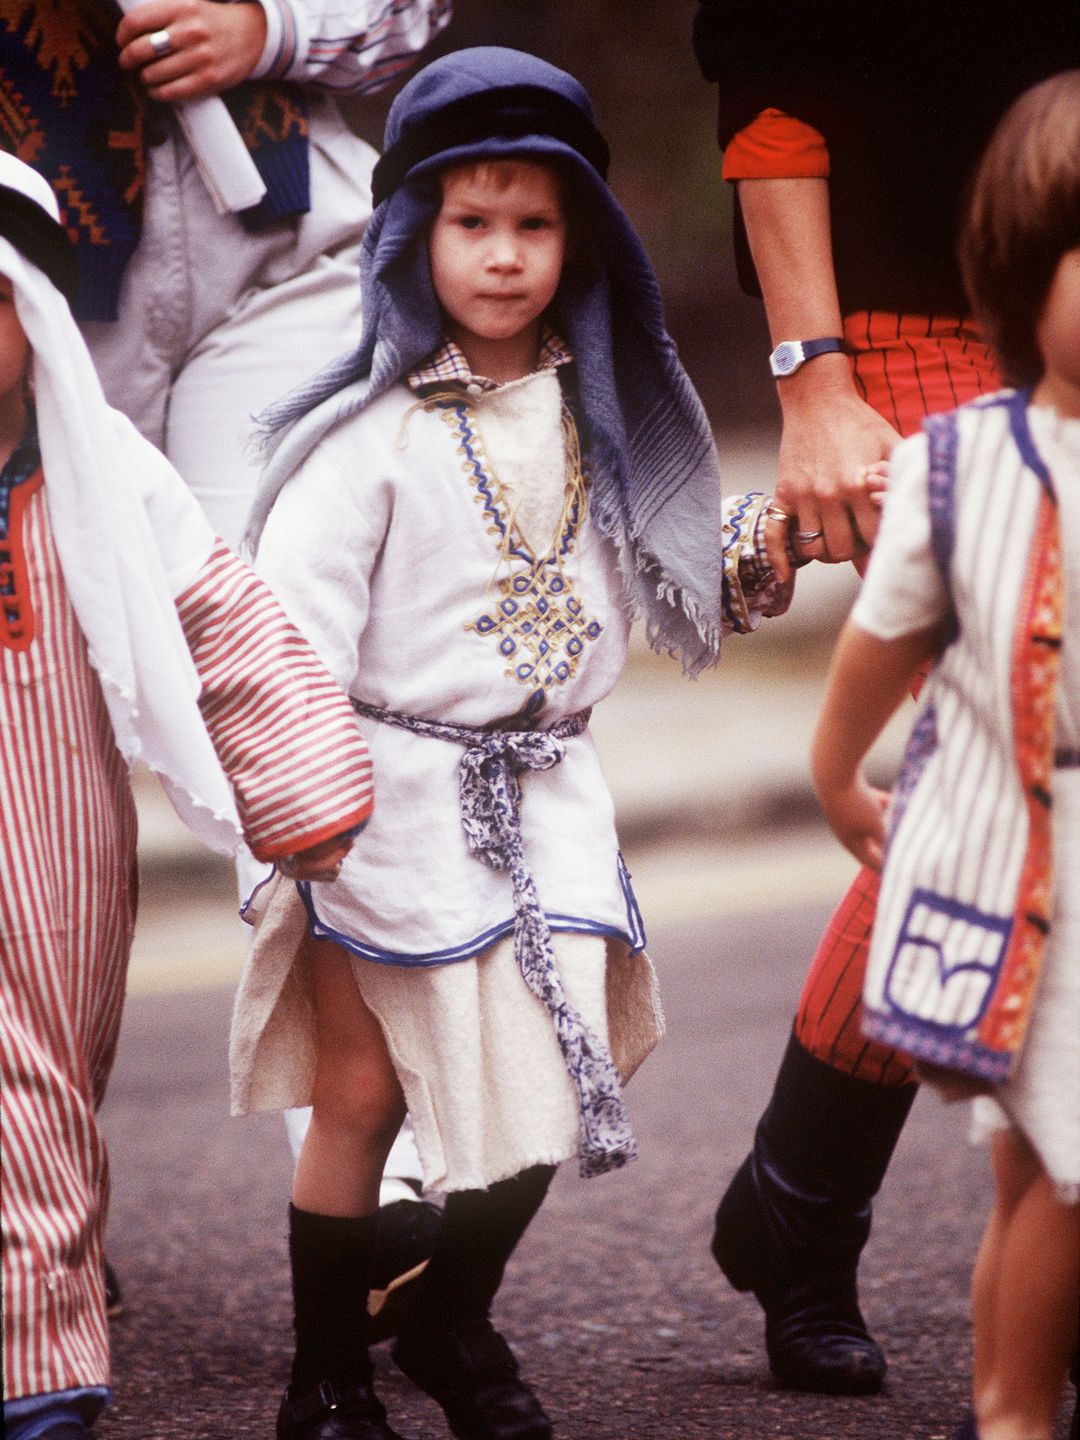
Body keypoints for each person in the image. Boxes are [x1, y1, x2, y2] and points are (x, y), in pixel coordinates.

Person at [227, 45, 804, 1440]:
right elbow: (284, 641)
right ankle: (328, 1380)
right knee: (363, 1097)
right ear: (414, 234)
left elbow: (651, 568)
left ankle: (441, 1316)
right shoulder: (360, 437)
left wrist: (761, 548)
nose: (501, 256)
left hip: (549, 791)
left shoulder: (605, 415)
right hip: (384, 796)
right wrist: (302, 800)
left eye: (533, 225)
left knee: (562, 1078)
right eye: (470, 223)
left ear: (579, 237)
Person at [0, 0, 451, 1290]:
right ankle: (37, 1198)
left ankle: (369, 1168)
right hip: (30, 297)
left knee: (275, 687)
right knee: (44, 785)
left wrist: (275, 25)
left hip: (279, 270)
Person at [691, 0, 1080, 1395]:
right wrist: (813, 377)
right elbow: (778, 80)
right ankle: (803, 1212)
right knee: (995, 758)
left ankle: (797, 1201)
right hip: (917, 328)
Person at [0, 152, 374, 1440]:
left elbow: (222, 620)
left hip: (53, 834)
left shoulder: (101, 471)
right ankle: (34, 1348)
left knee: (42, 1062)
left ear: (38, 314)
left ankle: (36, 1309)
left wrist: (300, 781)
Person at [811, 70, 1080, 1440]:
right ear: (1022, 274)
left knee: (1041, 1167)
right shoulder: (964, 466)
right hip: (1034, 861)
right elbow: (876, 642)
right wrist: (834, 773)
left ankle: (1008, 1407)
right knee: (1062, 1175)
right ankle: (1019, 1415)